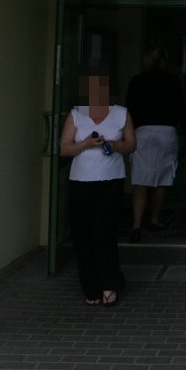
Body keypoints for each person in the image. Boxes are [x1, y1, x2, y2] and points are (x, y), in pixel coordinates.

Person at [60, 73, 136, 306]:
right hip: (81, 181)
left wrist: (115, 145)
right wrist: (86, 144)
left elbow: (131, 145)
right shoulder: (76, 115)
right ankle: (90, 287)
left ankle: (110, 284)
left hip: (111, 180)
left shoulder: (121, 113)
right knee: (83, 234)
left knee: (105, 232)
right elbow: (64, 149)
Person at [124, 46, 186, 242]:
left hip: (142, 131)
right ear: (163, 60)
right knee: (162, 179)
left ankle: (136, 225)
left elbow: (129, 109)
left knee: (141, 180)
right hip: (166, 132)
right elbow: (181, 109)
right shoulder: (173, 81)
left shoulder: (137, 81)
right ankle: (155, 218)